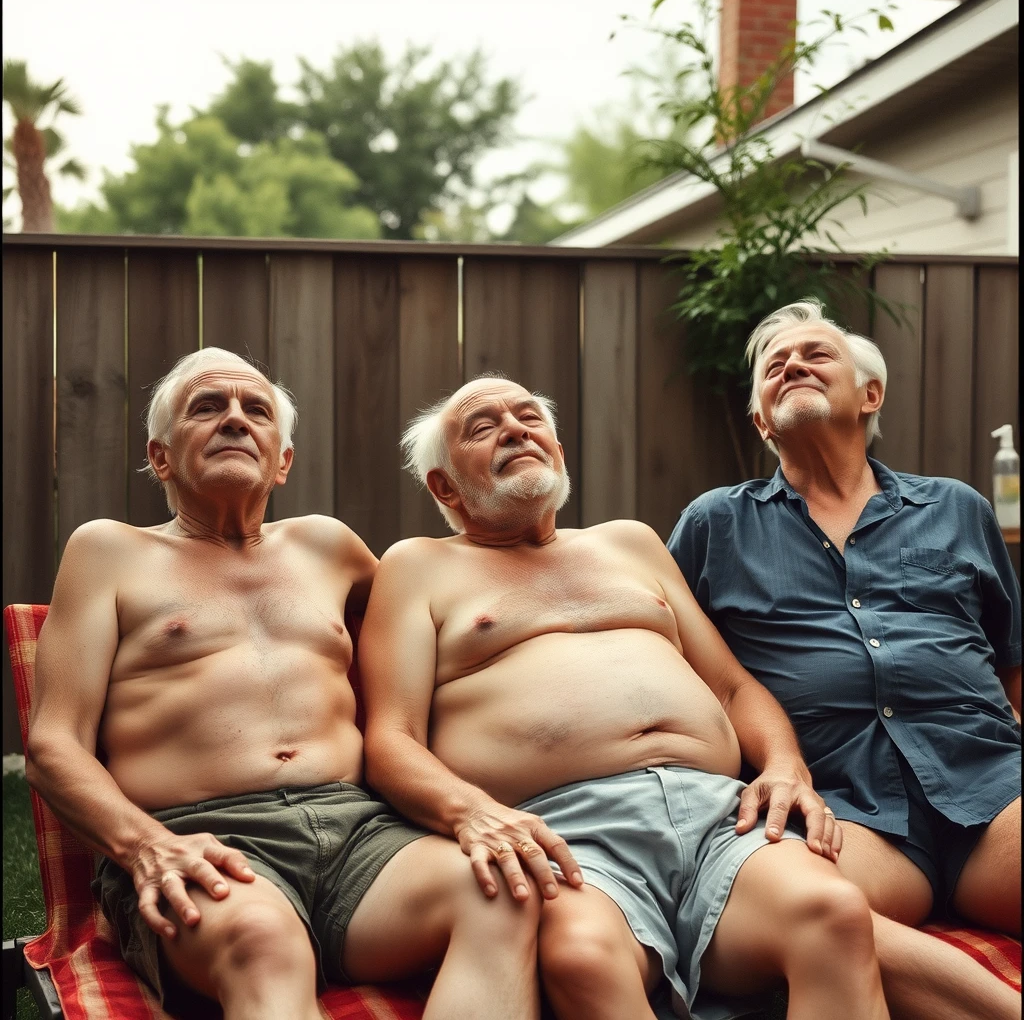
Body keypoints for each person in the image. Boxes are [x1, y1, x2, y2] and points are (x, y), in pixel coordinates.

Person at [25, 348, 545, 1020]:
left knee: (503, 890)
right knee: (265, 940)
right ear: (160, 457)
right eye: (207, 408)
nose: (235, 419)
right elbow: (53, 748)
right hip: (205, 837)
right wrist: (146, 847)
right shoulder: (109, 552)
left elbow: (447, 617)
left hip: (362, 836)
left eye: (256, 411)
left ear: (283, 461)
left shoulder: (329, 547)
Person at [357, 374, 891, 1020]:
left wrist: (784, 765)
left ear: (557, 452)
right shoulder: (417, 567)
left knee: (833, 914)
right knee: (583, 957)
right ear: (444, 486)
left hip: (721, 819)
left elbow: (732, 686)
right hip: (568, 833)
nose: (515, 428)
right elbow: (390, 738)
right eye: (483, 426)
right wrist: (472, 811)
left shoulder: (630, 543)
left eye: (529, 416)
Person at [667, 299, 1022, 1020]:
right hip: (846, 809)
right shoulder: (714, 525)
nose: (793, 364)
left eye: (816, 354)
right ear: (762, 422)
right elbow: (673, 669)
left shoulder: (956, 508)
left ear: (871, 395)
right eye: (774, 367)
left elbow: (1012, 657)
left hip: (990, 783)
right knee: (794, 916)